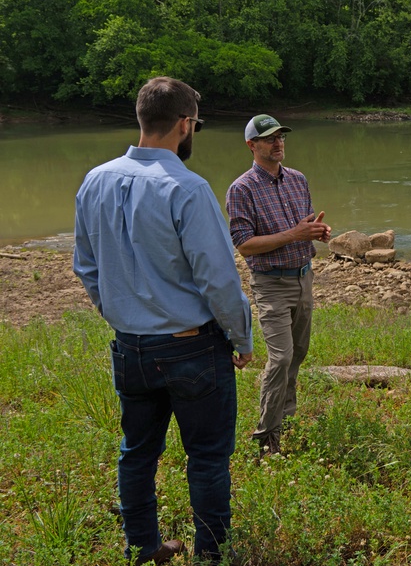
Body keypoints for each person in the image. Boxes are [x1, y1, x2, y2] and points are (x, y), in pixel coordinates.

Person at [73, 76, 253, 565]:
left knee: (137, 452)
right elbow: (217, 280)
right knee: (208, 457)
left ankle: (142, 547)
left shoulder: (96, 179)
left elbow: (85, 266)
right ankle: (212, 556)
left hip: (130, 345)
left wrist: (117, 310)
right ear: (185, 124)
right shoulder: (188, 188)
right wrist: (242, 338)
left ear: (140, 119)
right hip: (193, 346)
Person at [226, 114, 331, 457]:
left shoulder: (297, 179)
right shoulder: (241, 188)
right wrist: (296, 234)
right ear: (251, 145)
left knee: (298, 354)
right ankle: (266, 436)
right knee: (281, 356)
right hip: (270, 283)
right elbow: (244, 244)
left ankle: (286, 420)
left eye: (281, 136)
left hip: (304, 276)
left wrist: (317, 232)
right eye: (269, 138)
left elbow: (305, 222)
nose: (278, 142)